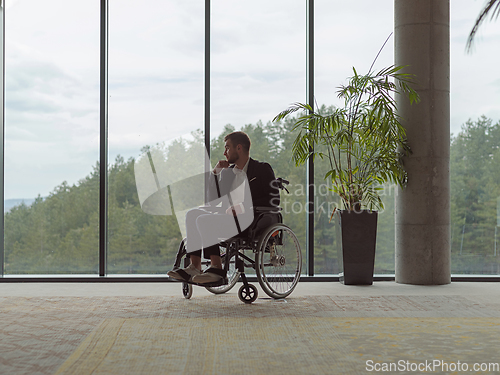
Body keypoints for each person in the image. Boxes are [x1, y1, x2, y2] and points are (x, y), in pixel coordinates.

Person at [167, 131, 279, 284]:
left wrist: (243, 207)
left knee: (204, 220)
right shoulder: (228, 173)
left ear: (238, 148)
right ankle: (194, 266)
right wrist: (215, 173)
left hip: (251, 222)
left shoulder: (261, 169)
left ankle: (217, 269)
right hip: (227, 218)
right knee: (192, 214)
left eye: (227, 148)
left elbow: (273, 199)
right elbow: (212, 200)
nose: (224, 152)